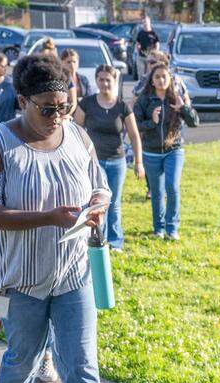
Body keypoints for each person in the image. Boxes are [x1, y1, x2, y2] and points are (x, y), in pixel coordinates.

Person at [0, 53, 125, 383]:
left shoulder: (77, 135)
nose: (58, 116)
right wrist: (47, 217)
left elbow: (100, 185)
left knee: (81, 361)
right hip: (19, 280)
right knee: (23, 356)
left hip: (73, 272)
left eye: (65, 106)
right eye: (47, 108)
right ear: (22, 100)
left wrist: (97, 205)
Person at [75, 64, 143, 252]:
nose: (104, 83)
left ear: (115, 81)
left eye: (108, 80)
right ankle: (98, 238)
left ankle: (115, 241)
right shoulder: (86, 104)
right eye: (101, 79)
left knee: (114, 203)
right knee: (96, 203)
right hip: (94, 163)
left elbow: (135, 135)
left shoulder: (122, 106)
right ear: (96, 80)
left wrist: (139, 162)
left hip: (117, 161)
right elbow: (75, 131)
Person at [133, 64, 197, 241]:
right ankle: (158, 228)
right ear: (152, 81)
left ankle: (172, 228)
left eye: (164, 76)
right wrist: (152, 122)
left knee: (172, 187)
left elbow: (194, 122)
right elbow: (135, 125)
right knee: (157, 192)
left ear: (170, 79)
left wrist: (183, 108)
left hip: (174, 150)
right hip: (151, 152)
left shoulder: (176, 98)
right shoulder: (144, 100)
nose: (161, 80)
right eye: (157, 77)